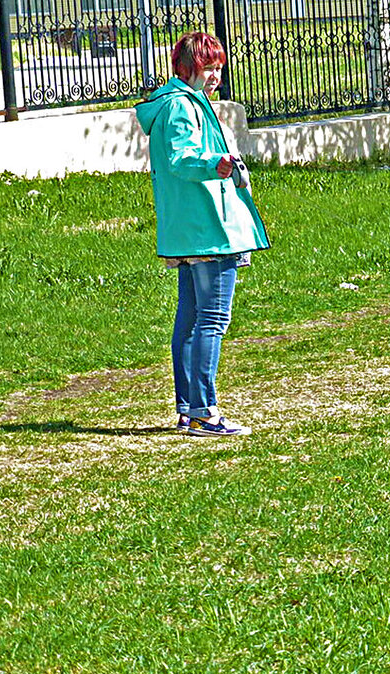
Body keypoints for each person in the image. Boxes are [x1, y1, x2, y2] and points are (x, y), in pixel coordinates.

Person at [135, 32, 269, 436]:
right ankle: (204, 411)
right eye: (209, 68)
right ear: (187, 68)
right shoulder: (181, 107)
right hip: (209, 227)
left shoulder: (179, 103)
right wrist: (218, 163)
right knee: (211, 319)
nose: (216, 77)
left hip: (191, 229)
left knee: (191, 320)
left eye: (218, 68)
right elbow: (182, 158)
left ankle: (189, 407)